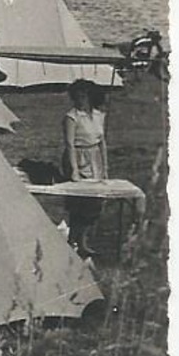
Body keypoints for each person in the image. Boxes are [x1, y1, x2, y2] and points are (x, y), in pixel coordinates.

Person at [61, 78, 110, 255]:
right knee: (80, 202)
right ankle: (73, 242)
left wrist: (105, 166)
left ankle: (82, 241)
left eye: (84, 96)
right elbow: (69, 144)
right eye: (77, 97)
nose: (80, 100)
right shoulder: (71, 117)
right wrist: (74, 170)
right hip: (78, 157)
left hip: (95, 157)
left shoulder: (99, 115)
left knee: (95, 201)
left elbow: (102, 141)